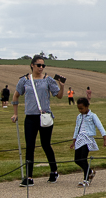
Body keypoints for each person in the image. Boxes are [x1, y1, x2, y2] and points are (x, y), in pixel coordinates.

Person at [13, 56, 66, 185]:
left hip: (45, 116)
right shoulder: (24, 80)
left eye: (43, 65)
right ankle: (29, 177)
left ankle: (54, 171)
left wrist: (62, 86)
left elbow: (58, 96)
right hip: (30, 117)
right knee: (30, 146)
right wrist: (15, 114)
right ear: (32, 65)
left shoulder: (48, 80)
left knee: (45, 144)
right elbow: (16, 95)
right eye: (38, 65)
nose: (41, 67)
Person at [70, 97, 106, 186]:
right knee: (77, 160)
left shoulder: (93, 116)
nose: (80, 110)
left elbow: (100, 126)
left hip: (87, 139)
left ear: (87, 106)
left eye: (81, 108)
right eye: (78, 108)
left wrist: (105, 138)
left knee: (83, 159)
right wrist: (74, 140)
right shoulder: (78, 117)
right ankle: (90, 171)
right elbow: (76, 129)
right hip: (80, 139)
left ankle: (86, 180)